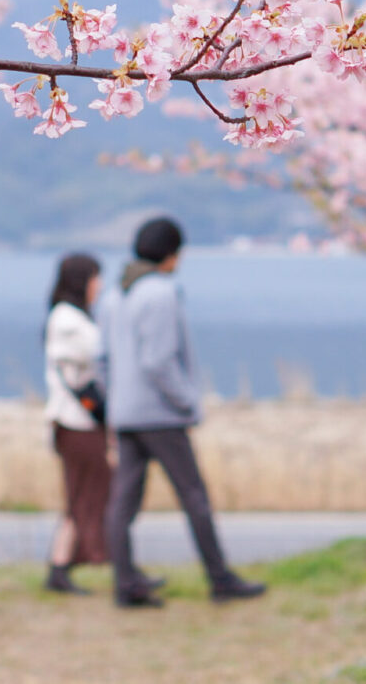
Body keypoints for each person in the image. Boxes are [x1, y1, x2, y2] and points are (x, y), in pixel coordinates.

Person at [101, 216, 266, 608]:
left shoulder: (114, 294)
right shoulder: (161, 292)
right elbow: (158, 361)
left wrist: (114, 402)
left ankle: (125, 583)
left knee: (123, 502)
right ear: (172, 255)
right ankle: (220, 578)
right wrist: (188, 402)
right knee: (194, 497)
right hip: (160, 415)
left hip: (125, 412)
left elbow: (101, 359)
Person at [42, 252, 111, 594]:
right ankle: (68, 564)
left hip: (75, 421)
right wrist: (104, 412)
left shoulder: (67, 317)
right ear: (83, 281)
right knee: (85, 495)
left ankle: (63, 565)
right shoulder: (69, 321)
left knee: (80, 497)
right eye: (96, 278)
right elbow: (79, 375)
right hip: (78, 423)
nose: (100, 286)